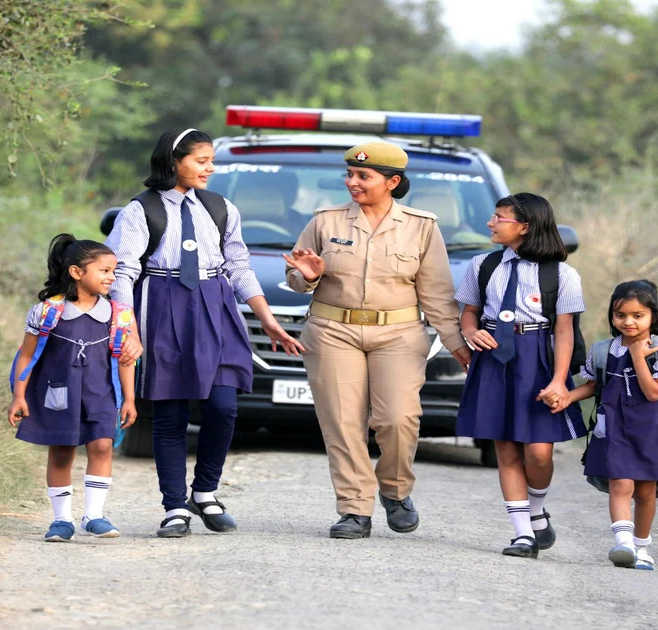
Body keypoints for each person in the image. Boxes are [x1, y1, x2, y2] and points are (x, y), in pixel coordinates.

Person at [105, 128, 304, 538]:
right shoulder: (140, 211)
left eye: (211, 160)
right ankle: (174, 506)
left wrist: (266, 318)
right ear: (172, 161)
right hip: (163, 304)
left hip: (216, 305)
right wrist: (128, 329)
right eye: (201, 160)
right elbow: (122, 272)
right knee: (171, 413)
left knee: (223, 406)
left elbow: (239, 266)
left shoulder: (221, 208)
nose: (210, 168)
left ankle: (205, 491)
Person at [284, 141, 471, 539]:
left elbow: (437, 295)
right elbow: (296, 277)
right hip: (333, 331)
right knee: (342, 422)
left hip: (398, 334)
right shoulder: (325, 221)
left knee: (398, 419)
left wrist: (457, 344)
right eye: (350, 174)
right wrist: (308, 276)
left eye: (363, 176)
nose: (352, 182)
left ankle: (396, 490)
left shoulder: (422, 226)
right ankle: (354, 509)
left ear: (392, 182)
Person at [455, 193, 586, 559]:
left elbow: (565, 331)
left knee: (539, 452)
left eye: (499, 217)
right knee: (506, 447)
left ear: (525, 227)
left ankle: (536, 509)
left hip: (538, 358)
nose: (491, 223)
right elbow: (469, 313)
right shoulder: (482, 265)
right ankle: (523, 535)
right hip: (495, 358)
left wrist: (559, 381)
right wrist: (470, 331)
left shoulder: (561, 274)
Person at [541, 279, 658, 570]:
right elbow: (593, 386)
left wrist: (637, 357)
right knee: (620, 484)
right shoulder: (602, 351)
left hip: (652, 432)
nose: (628, 322)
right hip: (613, 428)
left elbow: (654, 392)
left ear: (654, 317)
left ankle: (642, 548)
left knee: (646, 491)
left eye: (638, 315)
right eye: (620, 315)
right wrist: (567, 397)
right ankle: (624, 544)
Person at [7, 235, 137, 542]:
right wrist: (19, 395)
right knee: (62, 452)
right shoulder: (47, 312)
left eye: (113, 271)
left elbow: (125, 360)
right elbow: (26, 355)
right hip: (58, 393)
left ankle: (94, 515)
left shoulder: (119, 315)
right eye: (104, 270)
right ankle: (61, 520)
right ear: (77, 272)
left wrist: (129, 399)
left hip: (101, 392)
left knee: (102, 446)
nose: (112, 277)